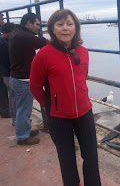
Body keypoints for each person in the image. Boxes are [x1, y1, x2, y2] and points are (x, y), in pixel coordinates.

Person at [30, 9, 101, 186]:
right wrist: (51, 104)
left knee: (91, 156)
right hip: (58, 117)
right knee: (67, 159)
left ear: (76, 28)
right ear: (52, 29)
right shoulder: (43, 55)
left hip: (84, 112)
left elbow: (82, 78)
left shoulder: (83, 52)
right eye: (60, 24)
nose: (65, 28)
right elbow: (35, 87)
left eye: (69, 24)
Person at [9, 13, 47, 145]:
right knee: (23, 110)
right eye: (37, 24)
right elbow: (43, 42)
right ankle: (22, 137)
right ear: (28, 23)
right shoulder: (23, 36)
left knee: (21, 108)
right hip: (22, 79)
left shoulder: (17, 34)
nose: (39, 28)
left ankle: (24, 130)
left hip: (16, 77)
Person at [0, 23, 16, 125]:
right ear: (5, 33)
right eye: (12, 33)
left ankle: (14, 116)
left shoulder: (4, 42)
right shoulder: (4, 44)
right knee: (14, 96)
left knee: (11, 95)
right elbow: (8, 60)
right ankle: (17, 119)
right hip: (8, 73)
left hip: (4, 72)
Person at [0, 13, 11, 119]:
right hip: (3, 69)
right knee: (3, 89)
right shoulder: (3, 42)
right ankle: (4, 110)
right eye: (1, 19)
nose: (3, 21)